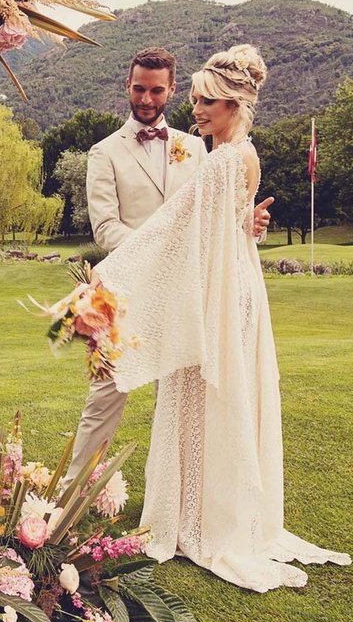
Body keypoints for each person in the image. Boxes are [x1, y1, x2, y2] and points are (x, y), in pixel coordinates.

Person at [93, 44, 350, 591]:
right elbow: (212, 226)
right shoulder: (239, 155)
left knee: (206, 394)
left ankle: (199, 520)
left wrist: (109, 280)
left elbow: (177, 230)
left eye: (207, 101)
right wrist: (244, 222)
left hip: (213, 296)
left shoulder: (220, 159)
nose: (197, 110)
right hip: (231, 288)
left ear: (234, 104)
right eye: (196, 100)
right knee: (220, 396)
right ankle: (211, 510)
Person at [63, 47, 271, 488]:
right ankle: (68, 495)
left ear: (172, 89)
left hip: (190, 291)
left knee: (180, 398)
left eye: (157, 90)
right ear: (128, 85)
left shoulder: (199, 146)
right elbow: (105, 227)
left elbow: (216, 217)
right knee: (107, 391)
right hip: (129, 286)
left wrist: (248, 222)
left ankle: (181, 497)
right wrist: (154, 262)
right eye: (139, 88)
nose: (146, 98)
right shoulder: (104, 152)